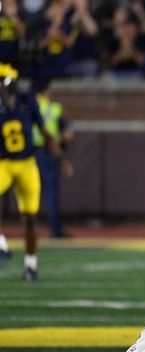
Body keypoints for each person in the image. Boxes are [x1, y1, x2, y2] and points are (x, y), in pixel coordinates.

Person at [0, 63, 61, 281]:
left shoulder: (27, 102)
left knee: (30, 217)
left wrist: (59, 156)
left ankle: (31, 265)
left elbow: (44, 131)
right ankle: (2, 245)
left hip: (26, 162)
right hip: (4, 163)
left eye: (2, 81)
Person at [33, 78, 74, 239]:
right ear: (47, 91)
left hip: (28, 153)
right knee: (51, 192)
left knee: (29, 192)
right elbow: (67, 134)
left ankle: (30, 228)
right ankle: (54, 229)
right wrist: (62, 158)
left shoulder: (29, 105)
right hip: (48, 152)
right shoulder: (53, 108)